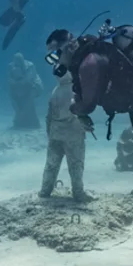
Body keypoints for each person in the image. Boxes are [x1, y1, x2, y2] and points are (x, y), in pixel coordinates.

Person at [40, 32, 92, 203]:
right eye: (50, 54)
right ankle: (55, 192)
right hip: (61, 130)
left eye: (55, 52)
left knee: (71, 164)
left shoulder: (76, 77)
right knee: (57, 164)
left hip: (70, 129)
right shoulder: (62, 87)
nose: (53, 59)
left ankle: (75, 193)